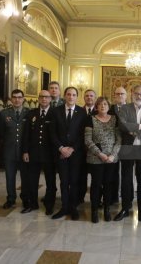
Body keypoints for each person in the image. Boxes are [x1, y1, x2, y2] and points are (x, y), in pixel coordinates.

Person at [114, 84, 141, 222]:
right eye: (137, 93)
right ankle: (125, 208)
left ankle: (140, 209)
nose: (139, 96)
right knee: (126, 179)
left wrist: (134, 130)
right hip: (128, 147)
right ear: (132, 93)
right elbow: (122, 125)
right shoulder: (125, 108)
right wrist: (140, 126)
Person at [50, 87, 87, 220]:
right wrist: (61, 148)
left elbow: (83, 134)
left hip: (76, 154)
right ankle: (64, 207)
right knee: (64, 181)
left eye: (74, 95)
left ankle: (73, 207)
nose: (71, 97)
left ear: (77, 97)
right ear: (64, 96)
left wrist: (72, 149)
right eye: (69, 94)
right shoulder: (55, 111)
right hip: (60, 153)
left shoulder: (82, 112)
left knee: (74, 181)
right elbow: (52, 133)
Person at [85, 96, 121, 223]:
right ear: (96, 106)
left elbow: (119, 140)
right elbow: (88, 140)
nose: (102, 106)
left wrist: (112, 155)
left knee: (108, 185)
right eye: (100, 104)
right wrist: (100, 154)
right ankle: (94, 210)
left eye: (105, 104)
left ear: (108, 106)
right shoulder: (91, 119)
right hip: (96, 158)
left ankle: (106, 209)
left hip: (111, 159)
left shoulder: (115, 119)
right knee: (95, 185)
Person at [21, 90, 55, 214]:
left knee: (50, 181)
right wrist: (25, 151)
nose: (44, 99)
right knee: (32, 180)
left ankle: (49, 205)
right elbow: (26, 135)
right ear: (38, 99)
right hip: (33, 153)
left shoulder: (55, 113)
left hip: (49, 154)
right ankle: (32, 204)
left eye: (46, 97)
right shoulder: (31, 114)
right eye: (41, 97)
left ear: (50, 99)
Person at [0, 89, 29, 209]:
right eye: (14, 97)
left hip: (24, 151)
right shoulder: (4, 114)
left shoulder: (28, 113)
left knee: (25, 177)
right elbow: (0, 133)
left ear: (23, 99)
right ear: (11, 99)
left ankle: (25, 198)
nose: (17, 99)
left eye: (19, 97)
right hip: (9, 151)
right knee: (10, 176)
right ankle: (11, 198)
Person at [108, 86, 128, 204]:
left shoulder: (132, 109)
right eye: (118, 94)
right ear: (114, 96)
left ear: (126, 96)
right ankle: (113, 197)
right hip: (112, 146)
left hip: (127, 146)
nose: (120, 96)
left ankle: (128, 197)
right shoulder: (109, 109)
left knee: (127, 173)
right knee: (113, 172)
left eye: (122, 94)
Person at [79, 89, 97, 204]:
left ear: (95, 98)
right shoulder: (78, 111)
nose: (89, 98)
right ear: (84, 98)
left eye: (91, 96)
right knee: (81, 175)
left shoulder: (100, 110)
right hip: (81, 149)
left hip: (95, 150)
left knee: (96, 177)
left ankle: (96, 199)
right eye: (87, 96)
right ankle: (80, 197)